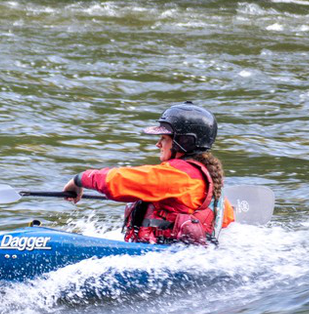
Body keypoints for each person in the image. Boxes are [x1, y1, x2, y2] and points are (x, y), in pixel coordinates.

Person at [61, 102, 232, 245]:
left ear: (183, 142)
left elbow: (116, 181)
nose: (158, 144)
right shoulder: (206, 177)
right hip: (174, 256)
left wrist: (78, 180)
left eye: (164, 138)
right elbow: (226, 221)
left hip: (160, 257)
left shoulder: (177, 176)